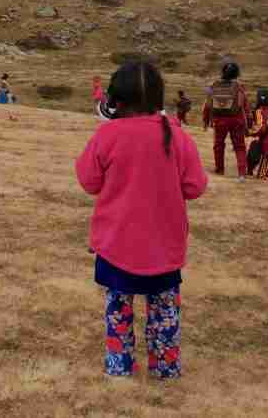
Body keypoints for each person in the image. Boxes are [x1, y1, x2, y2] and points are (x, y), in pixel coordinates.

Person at [76, 61, 208, 379]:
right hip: (165, 246)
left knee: (118, 309)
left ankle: (119, 365)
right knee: (164, 311)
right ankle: (165, 366)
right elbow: (195, 186)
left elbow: (88, 181)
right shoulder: (177, 137)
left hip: (116, 244)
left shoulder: (107, 135)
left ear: (116, 100)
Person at [202, 62, 250, 181]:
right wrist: (248, 123)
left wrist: (206, 121)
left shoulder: (212, 85)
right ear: (237, 73)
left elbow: (207, 105)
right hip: (236, 120)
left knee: (218, 145)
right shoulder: (240, 86)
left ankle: (219, 169)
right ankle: (242, 173)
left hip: (219, 120)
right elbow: (244, 106)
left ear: (222, 72)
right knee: (239, 147)